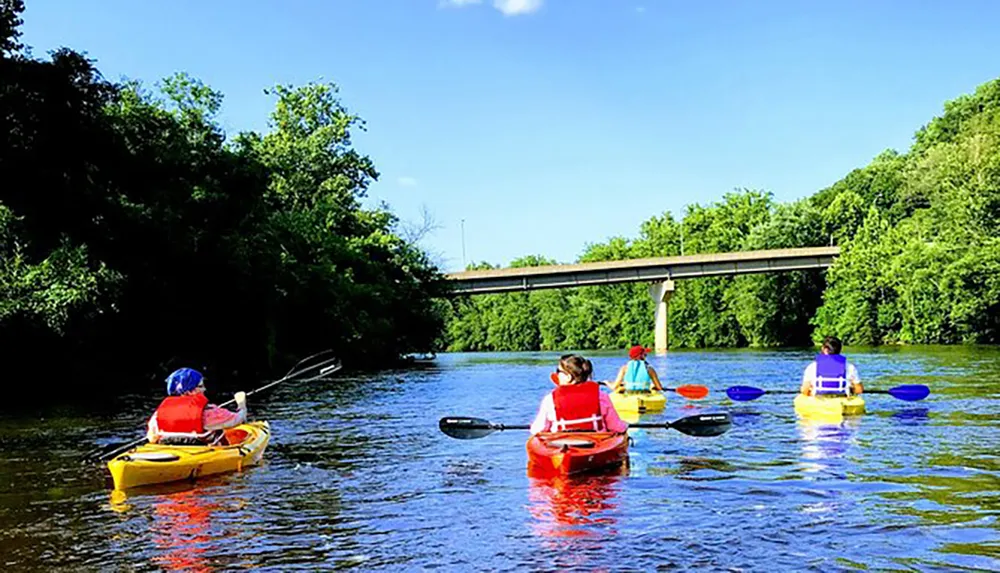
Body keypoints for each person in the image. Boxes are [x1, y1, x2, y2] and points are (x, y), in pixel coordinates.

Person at [530, 354, 629, 435]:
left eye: (558, 371)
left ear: (568, 377)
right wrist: (625, 425)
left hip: (561, 443)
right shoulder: (601, 396)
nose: (556, 374)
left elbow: (538, 429)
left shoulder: (550, 399)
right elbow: (617, 428)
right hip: (596, 442)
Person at [146, 367, 248, 445]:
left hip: (171, 453)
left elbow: (152, 438)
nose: (204, 389)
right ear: (189, 391)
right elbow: (239, 419)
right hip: (202, 454)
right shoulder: (208, 412)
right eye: (200, 386)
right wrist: (241, 403)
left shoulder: (158, 414)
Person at [799, 336, 863, 397]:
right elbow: (859, 390)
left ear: (824, 349)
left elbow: (804, 390)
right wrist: (851, 389)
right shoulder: (850, 367)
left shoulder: (812, 367)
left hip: (819, 400)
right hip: (841, 400)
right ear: (839, 349)